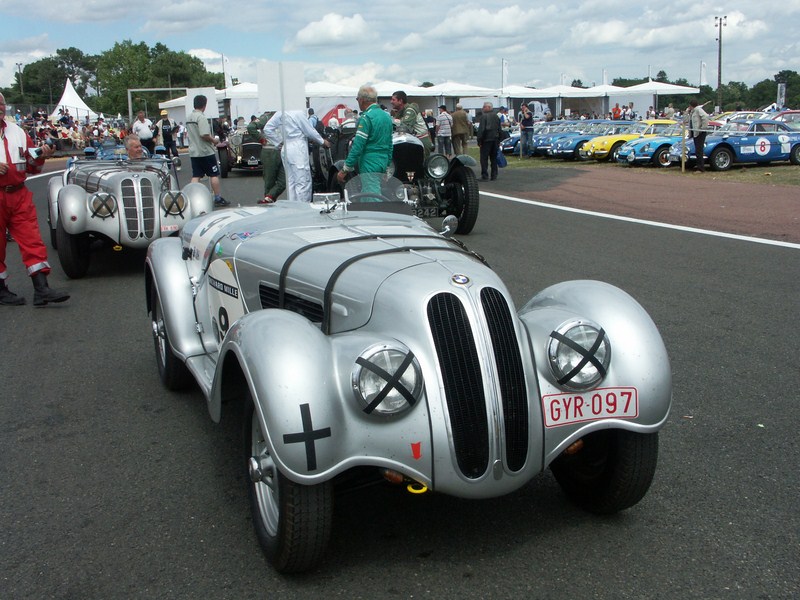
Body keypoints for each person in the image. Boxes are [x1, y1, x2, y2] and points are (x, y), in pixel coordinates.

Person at [0, 92, 70, 306]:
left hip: (19, 194)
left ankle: (41, 289)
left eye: (1, 104)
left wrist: (41, 157)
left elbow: (32, 167)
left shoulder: (18, 132)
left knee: (32, 240)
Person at [263, 109, 330, 202]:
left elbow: (267, 129)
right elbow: (309, 131)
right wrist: (322, 141)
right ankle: (302, 207)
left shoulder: (280, 113)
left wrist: (279, 142)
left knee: (291, 182)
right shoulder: (298, 113)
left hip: (286, 147)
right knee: (302, 181)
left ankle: (293, 205)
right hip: (298, 147)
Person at [336, 84, 393, 192]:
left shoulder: (366, 118)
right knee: (372, 192)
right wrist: (387, 165)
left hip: (369, 161)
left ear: (361, 100)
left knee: (371, 195)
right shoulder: (386, 116)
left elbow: (358, 146)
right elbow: (390, 144)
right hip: (383, 160)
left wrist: (345, 169)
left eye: (357, 99)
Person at [186, 94, 228, 206]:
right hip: (205, 151)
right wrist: (214, 140)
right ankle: (217, 198)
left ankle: (191, 197)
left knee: (196, 175)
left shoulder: (189, 117)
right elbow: (204, 134)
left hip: (194, 151)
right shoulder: (201, 117)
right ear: (204, 105)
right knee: (213, 174)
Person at [248, 111, 286, 204]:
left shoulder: (285, 115)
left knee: (284, 181)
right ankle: (268, 201)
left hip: (283, 151)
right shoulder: (266, 117)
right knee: (270, 181)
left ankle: (269, 197)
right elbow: (251, 127)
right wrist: (261, 139)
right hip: (270, 151)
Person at [390, 90, 432, 156]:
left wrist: (392, 121)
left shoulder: (410, 110)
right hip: (413, 141)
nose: (391, 102)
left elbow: (405, 127)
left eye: (393, 100)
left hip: (421, 141)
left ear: (400, 101)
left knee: (419, 162)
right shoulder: (401, 111)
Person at [476, 101, 501, 181]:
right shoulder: (496, 116)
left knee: (484, 158)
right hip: (495, 139)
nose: (483, 108)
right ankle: (494, 174)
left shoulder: (484, 117)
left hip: (486, 139)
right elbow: (499, 129)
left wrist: (479, 140)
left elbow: (481, 130)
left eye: (484, 107)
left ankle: (485, 175)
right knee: (493, 158)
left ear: (489, 107)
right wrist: (499, 139)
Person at [686, 99, 710, 173]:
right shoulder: (692, 112)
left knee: (699, 151)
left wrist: (702, 128)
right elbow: (686, 120)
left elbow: (705, 117)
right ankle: (699, 166)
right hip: (695, 133)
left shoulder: (698, 110)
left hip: (700, 133)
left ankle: (700, 168)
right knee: (697, 150)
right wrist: (687, 112)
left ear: (691, 105)